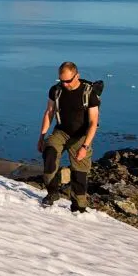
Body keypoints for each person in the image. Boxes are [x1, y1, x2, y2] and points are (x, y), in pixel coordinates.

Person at [37, 62, 101, 213]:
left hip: (81, 136)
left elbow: (93, 123)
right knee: (49, 153)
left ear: (76, 76)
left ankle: (78, 207)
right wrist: (42, 137)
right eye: (61, 81)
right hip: (61, 131)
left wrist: (85, 146)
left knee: (79, 171)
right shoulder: (56, 90)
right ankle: (52, 193)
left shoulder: (89, 94)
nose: (65, 84)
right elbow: (49, 113)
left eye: (68, 81)